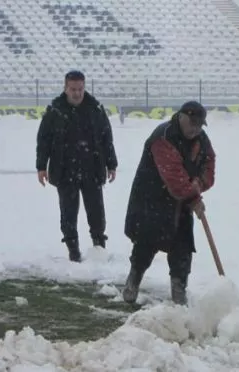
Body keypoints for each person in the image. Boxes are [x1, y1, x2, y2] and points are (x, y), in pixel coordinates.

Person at [121, 101, 216, 305]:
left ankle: (179, 292)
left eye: (199, 124)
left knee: (183, 247)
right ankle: (133, 281)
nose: (195, 128)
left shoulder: (201, 139)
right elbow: (173, 178)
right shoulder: (163, 138)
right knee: (145, 245)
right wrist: (194, 196)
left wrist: (198, 184)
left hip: (181, 204)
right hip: (152, 200)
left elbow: (209, 167)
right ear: (180, 117)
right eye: (192, 123)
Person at [35, 70, 118, 262]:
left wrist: (111, 164)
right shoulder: (55, 111)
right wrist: (41, 166)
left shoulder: (95, 109)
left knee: (96, 212)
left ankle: (99, 246)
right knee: (68, 213)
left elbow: (107, 138)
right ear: (65, 89)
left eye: (80, 89)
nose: (77, 93)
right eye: (73, 89)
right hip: (65, 170)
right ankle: (73, 249)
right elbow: (44, 140)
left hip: (92, 168)